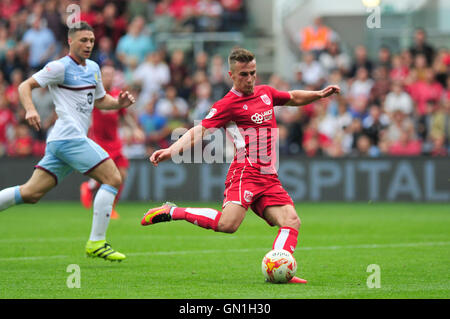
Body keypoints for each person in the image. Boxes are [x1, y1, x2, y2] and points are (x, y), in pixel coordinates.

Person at [141, 48, 340, 283]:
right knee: (228, 225)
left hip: (268, 175)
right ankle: (173, 211)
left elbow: (293, 97)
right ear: (231, 75)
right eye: (244, 74)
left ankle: (281, 267)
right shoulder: (228, 104)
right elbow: (199, 130)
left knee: (291, 220)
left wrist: (319, 94)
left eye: (253, 73)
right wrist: (172, 150)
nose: (249, 79)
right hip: (245, 171)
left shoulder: (265, 93)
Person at [0, 22, 136, 261]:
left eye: (91, 41)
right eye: (83, 40)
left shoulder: (94, 67)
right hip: (68, 136)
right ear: (70, 42)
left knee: (30, 193)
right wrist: (30, 110)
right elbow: (25, 86)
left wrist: (118, 104)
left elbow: (100, 100)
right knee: (114, 177)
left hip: (61, 142)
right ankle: (97, 242)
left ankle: (96, 242)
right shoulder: (59, 67)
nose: (88, 45)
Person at [80, 64, 142, 219]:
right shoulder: (94, 94)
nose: (108, 77)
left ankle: (110, 207)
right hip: (100, 141)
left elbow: (124, 115)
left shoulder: (116, 95)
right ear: (99, 77)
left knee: (122, 175)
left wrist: (135, 129)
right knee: (109, 175)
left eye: (111, 74)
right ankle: (89, 186)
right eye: (105, 74)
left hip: (115, 141)